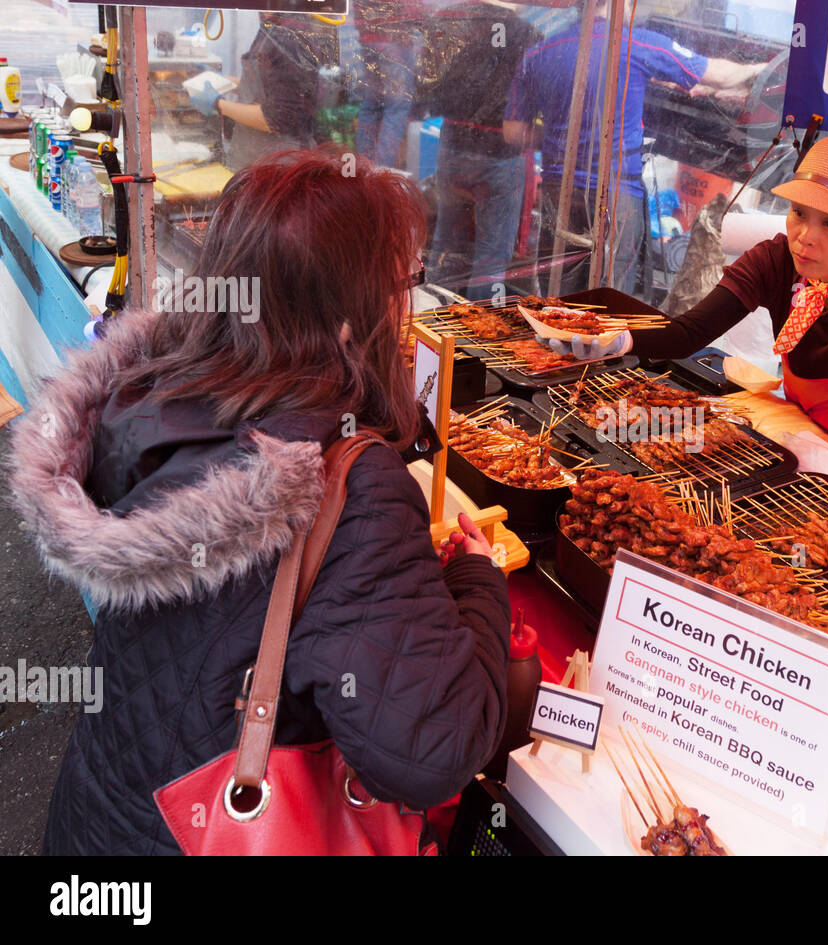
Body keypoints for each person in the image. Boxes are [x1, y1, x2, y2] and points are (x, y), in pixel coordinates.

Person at [8, 150, 510, 855]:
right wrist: (478, 584)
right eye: (400, 282)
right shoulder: (346, 486)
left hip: (101, 823)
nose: (404, 300)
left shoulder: (144, 393)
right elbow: (431, 750)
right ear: (347, 315)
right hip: (211, 832)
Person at [555, 136, 828, 554]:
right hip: (811, 424)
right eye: (799, 214)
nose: (805, 237)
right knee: (710, 439)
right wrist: (620, 339)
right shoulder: (776, 261)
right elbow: (690, 333)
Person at [503, 0, 767, 295]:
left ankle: (557, 338)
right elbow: (721, 75)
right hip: (615, 194)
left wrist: (564, 137)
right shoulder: (634, 44)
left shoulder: (539, 52)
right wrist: (762, 69)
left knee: (559, 290)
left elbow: (513, 132)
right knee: (610, 295)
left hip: (559, 189)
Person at [426, 0, 541, 298]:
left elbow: (431, 85)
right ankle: (477, 324)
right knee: (491, 253)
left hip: (453, 144)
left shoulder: (453, 20)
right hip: (499, 151)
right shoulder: (526, 33)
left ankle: (431, 309)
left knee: (446, 238)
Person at [189, 13, 339, 168]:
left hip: (280, 164)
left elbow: (274, 119)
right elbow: (270, 89)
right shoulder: (271, 26)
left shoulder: (289, 38)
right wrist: (224, 82)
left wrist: (217, 104)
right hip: (255, 158)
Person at [354, 0, 425, 167]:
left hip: (368, 38)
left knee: (371, 105)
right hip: (394, 40)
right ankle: (382, 169)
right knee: (397, 107)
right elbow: (412, 7)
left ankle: (364, 166)